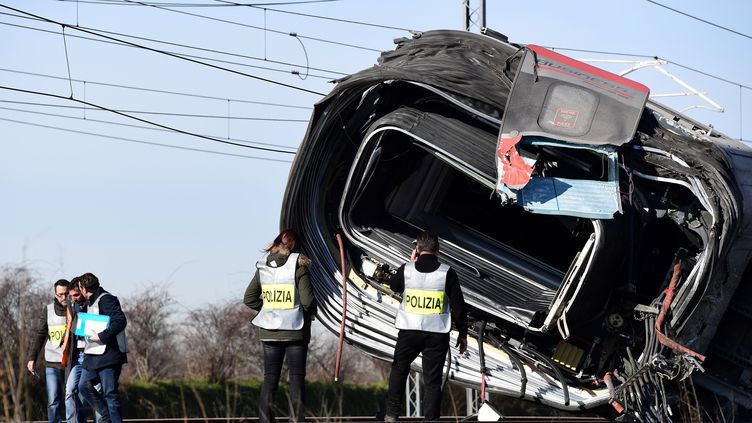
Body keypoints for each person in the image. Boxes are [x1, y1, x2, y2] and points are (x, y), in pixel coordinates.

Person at [384, 231, 468, 421]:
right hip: (436, 334)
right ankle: (431, 419)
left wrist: (410, 263)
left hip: (409, 331)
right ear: (437, 250)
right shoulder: (447, 273)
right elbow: (459, 307)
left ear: (417, 249)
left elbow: (394, 286)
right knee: (432, 380)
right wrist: (463, 334)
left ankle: (391, 414)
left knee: (399, 370)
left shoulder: (407, 269)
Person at [244, 229, 316, 423]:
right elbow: (308, 302)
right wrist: (307, 313)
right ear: (295, 246)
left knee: (269, 379)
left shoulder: (264, 267)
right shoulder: (299, 266)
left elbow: (249, 299)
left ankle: (265, 420)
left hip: (268, 332)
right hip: (295, 332)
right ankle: (296, 420)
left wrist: (267, 309)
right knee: (296, 379)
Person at [77, 273, 128, 423]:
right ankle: (106, 417)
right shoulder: (88, 303)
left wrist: (102, 336)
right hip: (92, 356)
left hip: (109, 356)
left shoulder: (107, 299)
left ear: (84, 288)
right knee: (83, 386)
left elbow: (120, 321)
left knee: (110, 394)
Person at [27, 279, 70, 423]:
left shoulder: (76, 308)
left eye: (66, 294)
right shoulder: (48, 310)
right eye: (60, 295)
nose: (64, 298)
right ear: (55, 294)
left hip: (71, 362)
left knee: (74, 398)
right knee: (53, 401)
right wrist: (32, 357)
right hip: (52, 362)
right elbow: (40, 334)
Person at [63, 277, 100, 423]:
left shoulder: (94, 304)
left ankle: (101, 420)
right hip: (78, 356)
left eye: (77, 295)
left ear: (83, 291)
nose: (74, 299)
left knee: (96, 390)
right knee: (70, 391)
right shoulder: (71, 304)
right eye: (71, 296)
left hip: (93, 355)